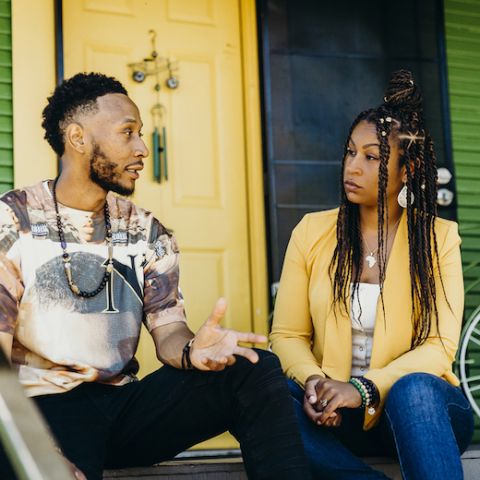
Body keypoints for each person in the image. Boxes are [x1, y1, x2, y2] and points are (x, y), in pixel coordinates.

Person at [0, 72, 310, 480]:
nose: (142, 148)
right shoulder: (13, 219)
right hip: (44, 408)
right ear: (77, 138)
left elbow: (168, 334)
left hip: (123, 407)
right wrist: (42, 450)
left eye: (140, 134)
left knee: (252, 367)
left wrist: (193, 352)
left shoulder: (147, 231)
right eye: (127, 133)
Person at [270, 70, 474, 480]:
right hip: (336, 417)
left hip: (420, 414)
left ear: (406, 170)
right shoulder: (312, 231)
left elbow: (439, 346)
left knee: (412, 388)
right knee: (260, 387)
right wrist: (316, 384)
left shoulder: (438, 239)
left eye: (372, 157)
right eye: (349, 152)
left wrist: (361, 388)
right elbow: (288, 335)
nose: (353, 166)